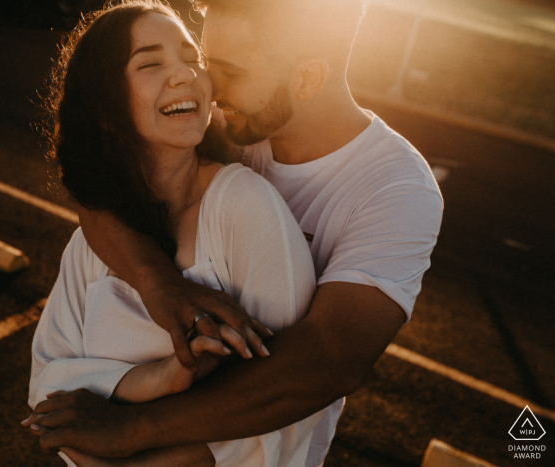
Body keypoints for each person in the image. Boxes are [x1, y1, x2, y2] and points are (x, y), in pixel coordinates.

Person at [24, 0, 443, 465]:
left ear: (307, 79)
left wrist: (132, 430)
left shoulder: (396, 187)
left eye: (229, 71)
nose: (206, 84)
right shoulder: (224, 127)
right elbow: (104, 186)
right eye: (206, 63)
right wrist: (159, 284)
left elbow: (328, 361)